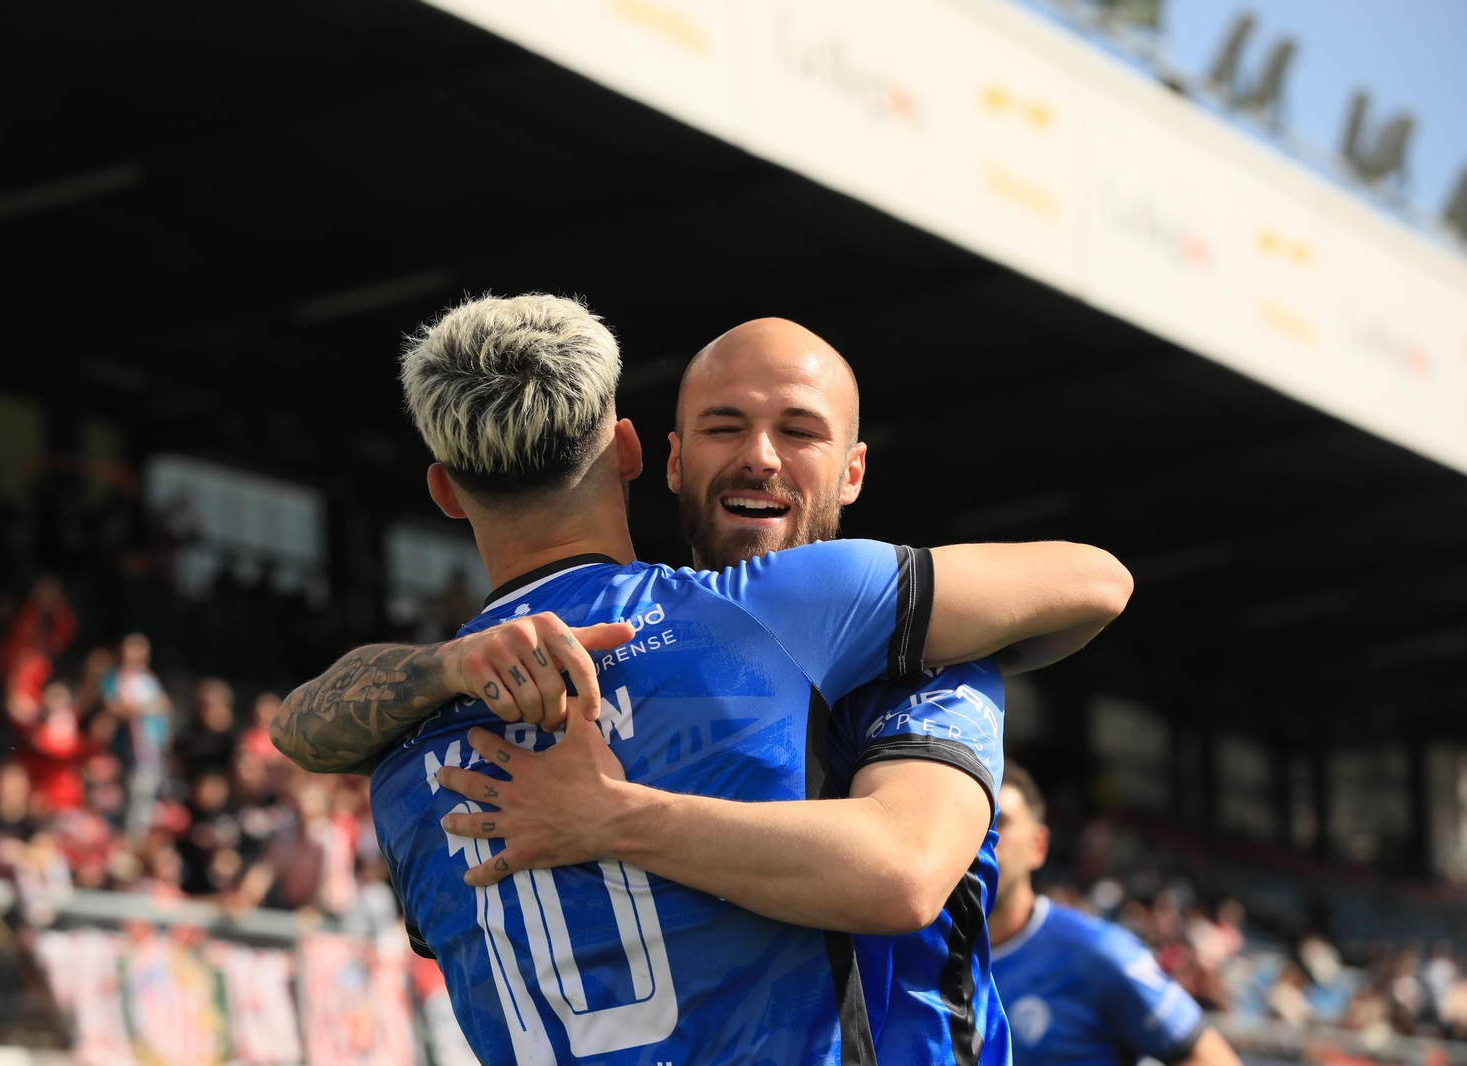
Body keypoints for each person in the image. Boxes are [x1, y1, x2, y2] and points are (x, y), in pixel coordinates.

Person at [275, 294, 1130, 1063]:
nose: (760, 457)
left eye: (799, 431)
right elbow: (1093, 583)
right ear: (645, 454)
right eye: (727, 427)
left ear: (444, 492)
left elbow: (300, 727)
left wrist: (593, 799)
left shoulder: (396, 761)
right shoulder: (772, 615)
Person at [989, 765, 1242, 1066]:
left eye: (1000, 823)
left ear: (1038, 846)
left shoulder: (1097, 952)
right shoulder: (925, 957)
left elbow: (1211, 1059)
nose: (983, 837)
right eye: (973, 820)